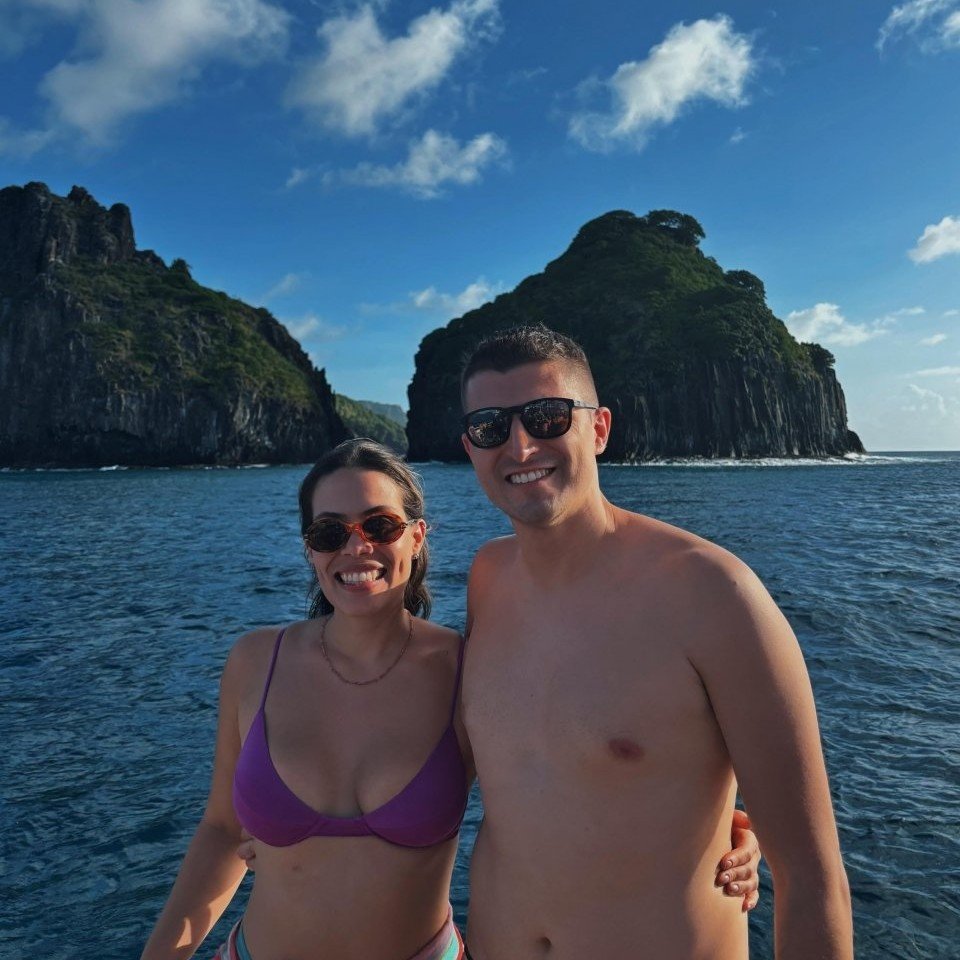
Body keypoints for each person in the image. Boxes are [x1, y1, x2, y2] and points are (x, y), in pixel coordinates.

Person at [144, 438, 760, 960]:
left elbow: (575, 778)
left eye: (379, 526)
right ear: (310, 548)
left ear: (416, 537)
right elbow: (222, 830)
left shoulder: (467, 670)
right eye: (330, 532)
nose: (356, 548)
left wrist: (721, 828)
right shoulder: (256, 661)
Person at [458, 326, 853, 960]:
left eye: (547, 417)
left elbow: (812, 878)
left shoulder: (713, 593)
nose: (521, 445)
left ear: (598, 429)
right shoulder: (487, 579)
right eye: (490, 428)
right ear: (470, 447)